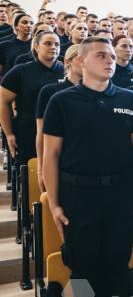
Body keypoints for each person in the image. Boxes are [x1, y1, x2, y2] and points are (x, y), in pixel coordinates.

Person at [42, 37, 133, 297]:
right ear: (81, 61)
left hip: (120, 196)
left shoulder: (130, 99)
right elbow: (51, 155)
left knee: (118, 271)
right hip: (79, 197)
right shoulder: (61, 101)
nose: (110, 61)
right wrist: (55, 204)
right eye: (101, 55)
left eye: (112, 56)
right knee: (83, 273)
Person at [0, 31, 64, 207]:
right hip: (28, 129)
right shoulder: (21, 70)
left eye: (57, 44)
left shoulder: (66, 69)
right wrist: (9, 133)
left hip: (60, 131)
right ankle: (33, 216)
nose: (54, 47)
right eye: (48, 43)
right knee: (33, 178)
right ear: (36, 46)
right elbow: (3, 102)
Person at [35, 45, 81, 193]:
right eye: (80, 58)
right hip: (62, 161)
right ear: (68, 62)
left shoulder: (98, 92)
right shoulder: (50, 91)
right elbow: (41, 133)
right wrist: (41, 168)